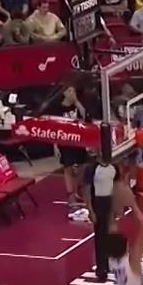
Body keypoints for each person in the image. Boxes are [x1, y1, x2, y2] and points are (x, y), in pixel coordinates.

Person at [84, 153, 120, 282]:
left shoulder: (114, 167)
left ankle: (109, 263)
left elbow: (116, 187)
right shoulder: (91, 168)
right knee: (100, 236)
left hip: (109, 201)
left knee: (110, 234)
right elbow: (87, 191)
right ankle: (101, 268)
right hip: (98, 202)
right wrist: (91, 210)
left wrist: (116, 207)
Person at [52, 84, 88, 213]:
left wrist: (77, 102)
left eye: (73, 90)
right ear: (64, 93)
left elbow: (86, 117)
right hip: (65, 142)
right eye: (69, 90)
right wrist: (55, 145)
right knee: (68, 168)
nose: (72, 93)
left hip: (78, 140)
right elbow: (54, 127)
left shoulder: (78, 106)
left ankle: (79, 188)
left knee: (82, 165)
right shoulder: (58, 108)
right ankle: (70, 196)